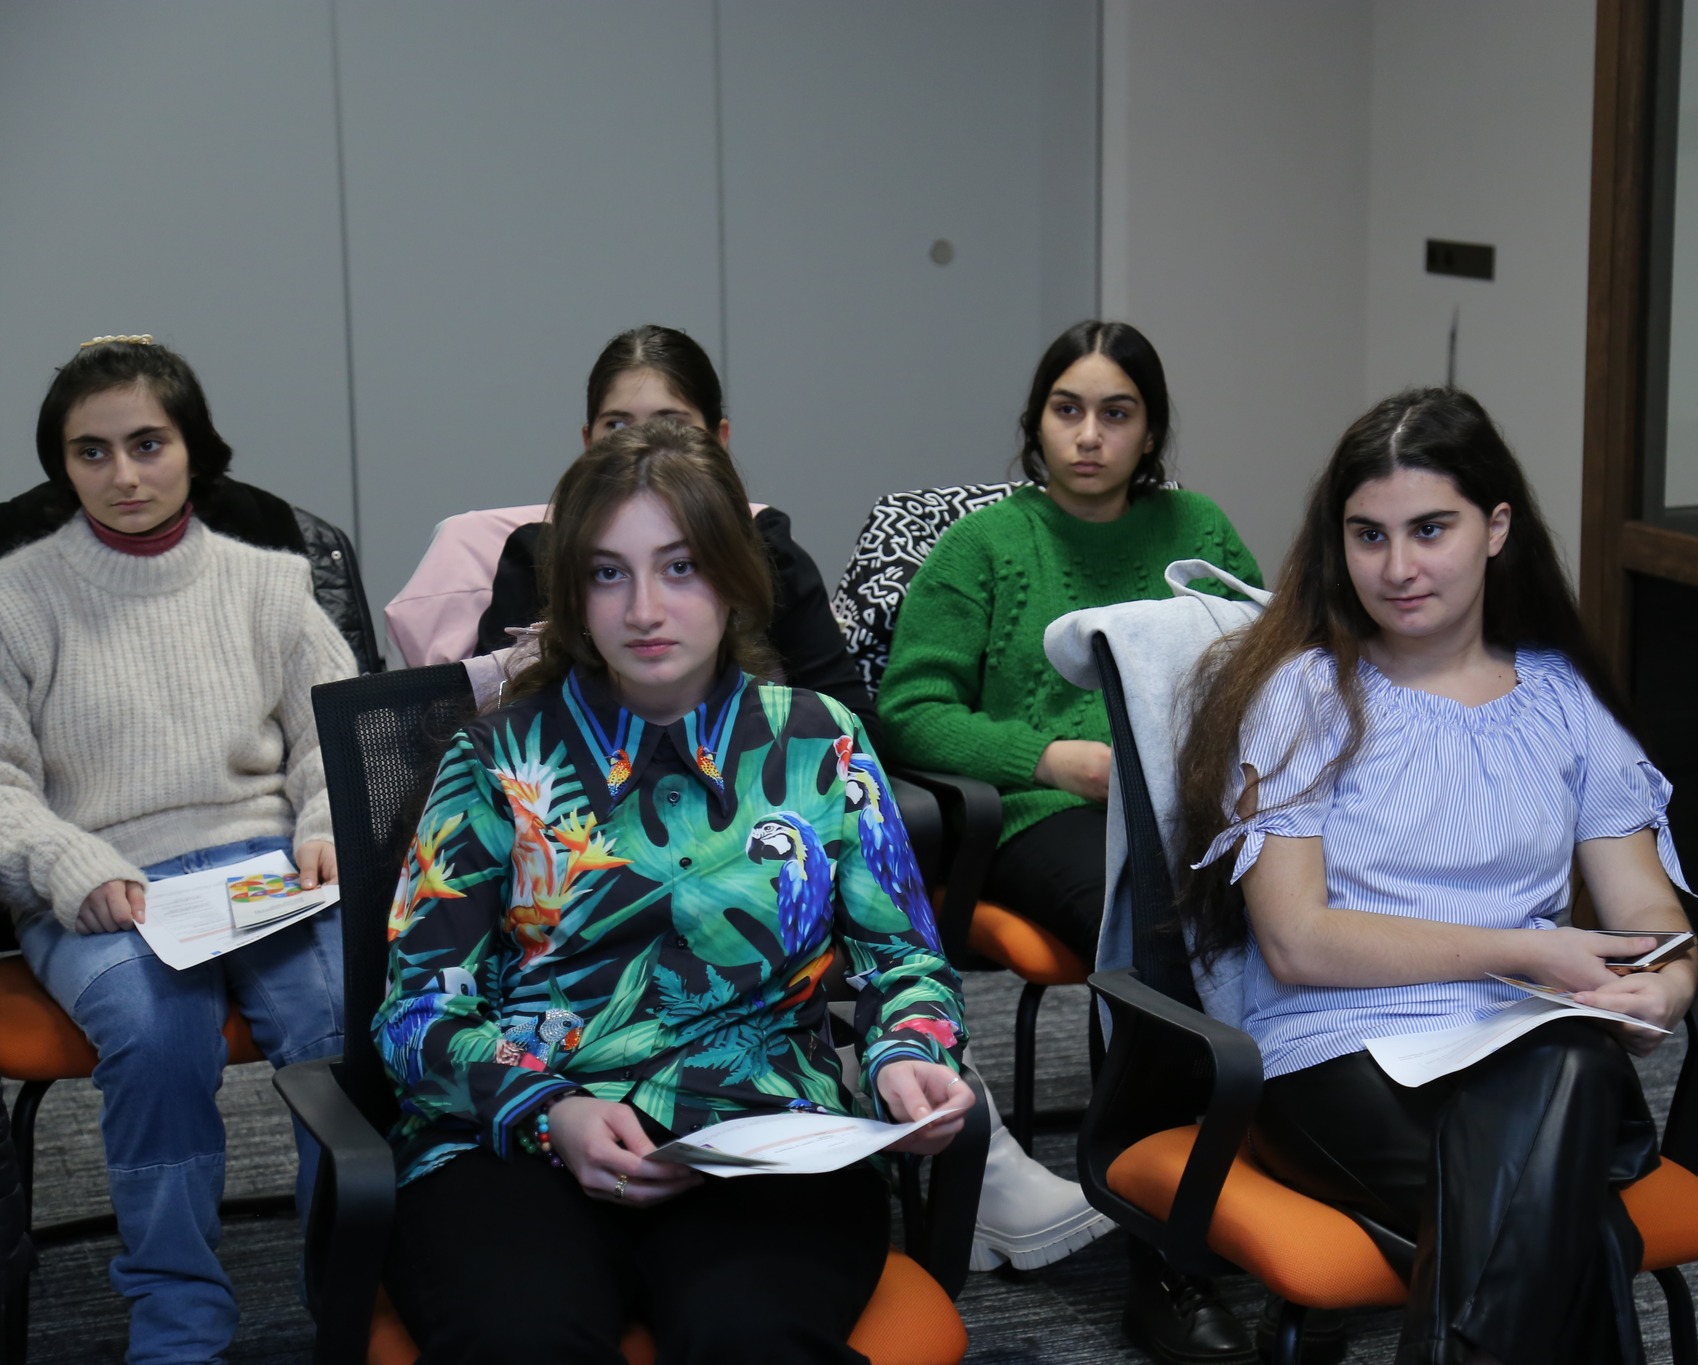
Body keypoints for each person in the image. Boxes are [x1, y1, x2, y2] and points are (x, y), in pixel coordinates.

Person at [375, 420, 971, 1364]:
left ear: (734, 579)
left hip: (761, 1130)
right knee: (521, 1339)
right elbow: (416, 1010)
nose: (644, 608)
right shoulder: (495, 758)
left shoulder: (821, 741)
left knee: (752, 1340)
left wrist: (908, 1052)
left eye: (680, 567)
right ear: (573, 597)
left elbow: (904, 962)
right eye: (608, 573)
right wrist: (550, 1110)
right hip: (522, 1137)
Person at [1176, 387, 1698, 1365]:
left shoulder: (1563, 699)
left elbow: (1648, 914)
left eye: (1429, 529)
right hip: (1334, 1058)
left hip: (1521, 1046)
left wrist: (1661, 985)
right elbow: (1296, 943)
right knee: (1575, 1213)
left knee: (1565, 1077)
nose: (1397, 568)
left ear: (1494, 528)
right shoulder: (1304, 695)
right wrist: (1527, 951)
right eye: (1367, 536)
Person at [876, 320, 1262, 1355]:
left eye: (1116, 414)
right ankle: (1164, 1255)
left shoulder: (1199, 528)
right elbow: (907, 712)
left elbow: (1267, 665)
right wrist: (1049, 757)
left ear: (1151, 432)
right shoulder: (985, 546)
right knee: (1153, 926)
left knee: (1283, 907)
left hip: (1187, 811)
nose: (1089, 436)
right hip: (1042, 819)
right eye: (1068, 410)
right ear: (1036, 422)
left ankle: (1263, 1172)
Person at [0, 337, 354, 1364]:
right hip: (102, 884)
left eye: (148, 444)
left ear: (194, 448)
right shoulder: (18, 597)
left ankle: (350, 1296)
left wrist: (325, 827)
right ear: (63, 465)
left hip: (267, 872)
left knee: (337, 1017)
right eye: (92, 452)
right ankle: (179, 1327)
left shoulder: (269, 584)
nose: (124, 474)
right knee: (157, 1038)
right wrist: (71, 868)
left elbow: (341, 739)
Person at [460, 323, 876, 730]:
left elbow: (851, 728)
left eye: (683, 566)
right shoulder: (537, 556)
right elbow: (497, 713)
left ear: (718, 439)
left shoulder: (771, 552)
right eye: (607, 573)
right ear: (588, 443)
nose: (645, 445)